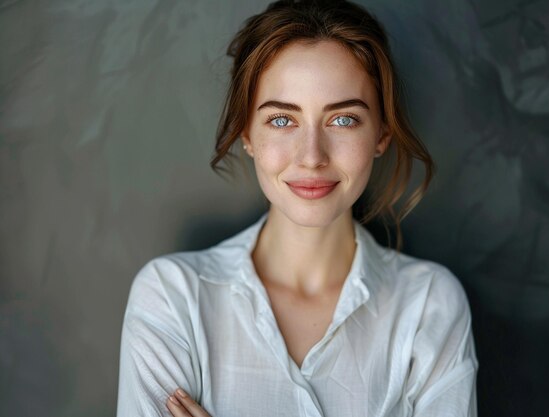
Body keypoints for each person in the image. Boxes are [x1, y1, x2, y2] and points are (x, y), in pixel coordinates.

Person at [116, 1, 478, 416]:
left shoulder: (429, 305)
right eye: (282, 121)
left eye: (343, 120)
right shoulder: (173, 298)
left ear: (381, 133)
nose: (312, 156)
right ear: (247, 133)